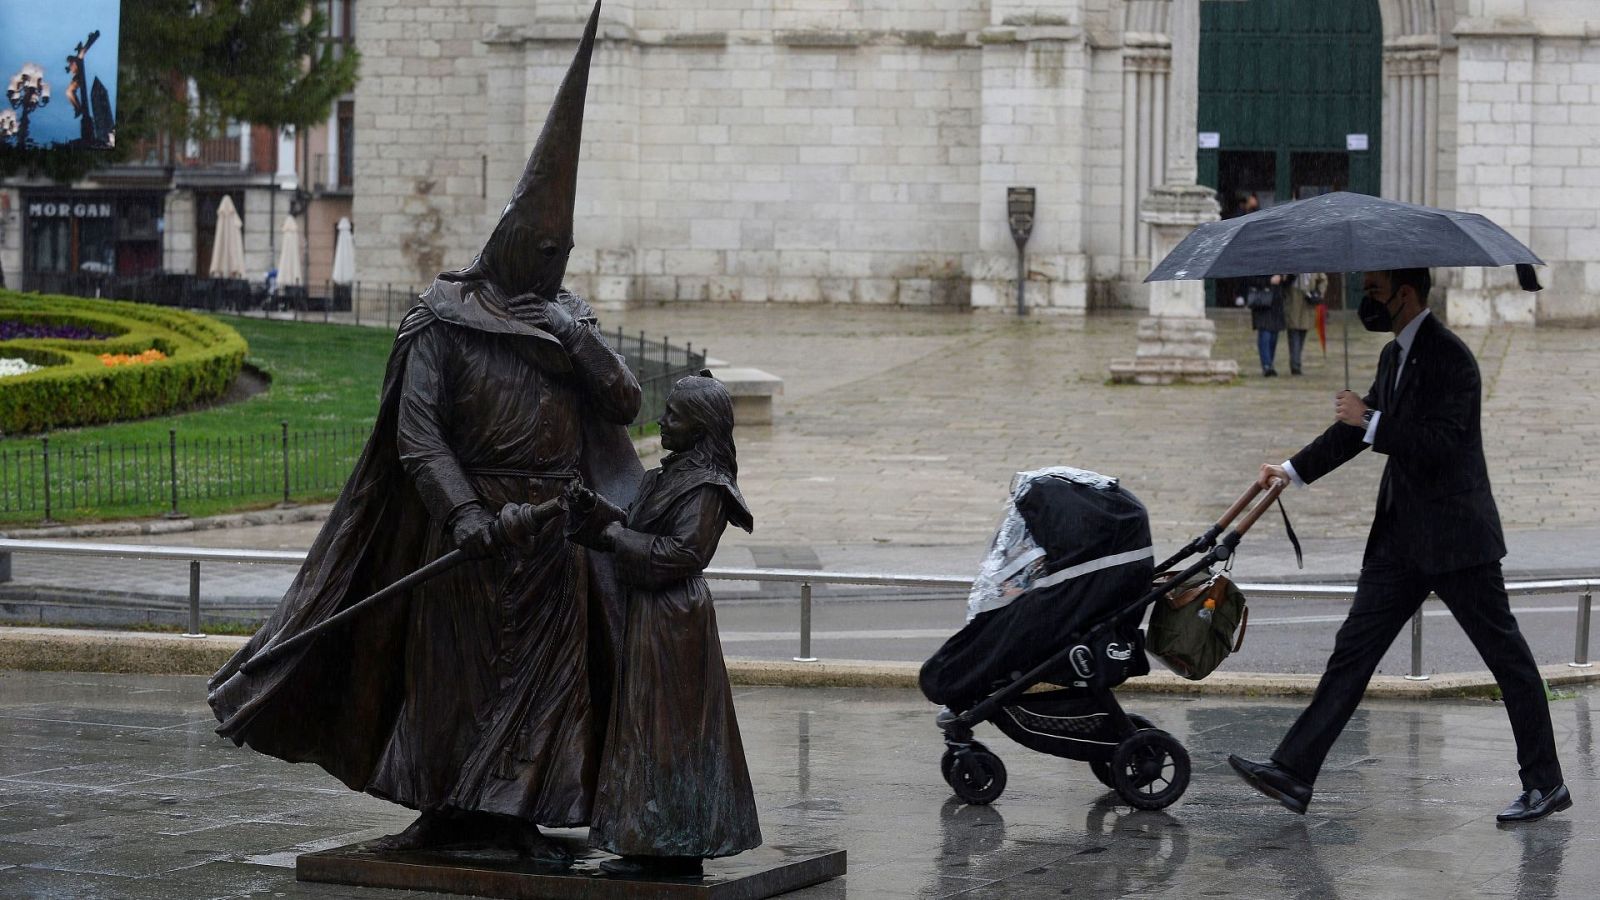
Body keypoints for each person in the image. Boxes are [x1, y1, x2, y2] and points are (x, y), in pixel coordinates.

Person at [207, 2, 645, 861]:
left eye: (563, 251)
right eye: (541, 247)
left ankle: (514, 825)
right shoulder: (441, 319)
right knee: (458, 683)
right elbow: (418, 439)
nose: (553, 262)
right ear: (510, 237)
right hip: (475, 536)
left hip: (550, 535)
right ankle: (449, 815)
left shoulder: (571, 319)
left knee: (546, 687)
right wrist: (463, 514)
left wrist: (581, 341)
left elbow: (627, 406)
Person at [1229, 268, 1569, 823]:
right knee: (1352, 653)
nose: (1366, 301)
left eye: (1373, 292)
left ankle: (1545, 783)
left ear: (1405, 294)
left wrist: (1372, 420)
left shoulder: (1451, 358)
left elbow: (1441, 443)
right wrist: (1290, 470)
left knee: (1508, 660)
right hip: (1400, 542)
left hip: (1458, 540)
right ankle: (1293, 772)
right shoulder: (1394, 356)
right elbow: (1355, 432)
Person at [563, 374, 761, 877]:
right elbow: (633, 525)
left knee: (671, 731)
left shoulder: (707, 487)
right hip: (650, 614)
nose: (661, 421)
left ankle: (676, 845)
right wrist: (597, 514)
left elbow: (684, 552)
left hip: (676, 618)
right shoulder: (665, 476)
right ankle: (646, 838)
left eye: (672, 414)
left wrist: (616, 536)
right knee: (642, 728)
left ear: (700, 426)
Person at [1282, 272, 1326, 376]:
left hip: (1307, 303)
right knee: (1294, 333)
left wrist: (1319, 293)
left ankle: (1296, 362)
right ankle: (1295, 364)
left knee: (1302, 332)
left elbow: (1323, 279)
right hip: (1293, 302)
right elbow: (1284, 281)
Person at [1244, 274, 1286, 377]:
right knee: (1265, 334)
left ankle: (1270, 363)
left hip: (1276, 302)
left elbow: (1288, 281)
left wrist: (1284, 277)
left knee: (1273, 336)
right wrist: (1268, 281)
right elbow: (1250, 279)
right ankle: (1266, 365)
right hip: (1262, 301)